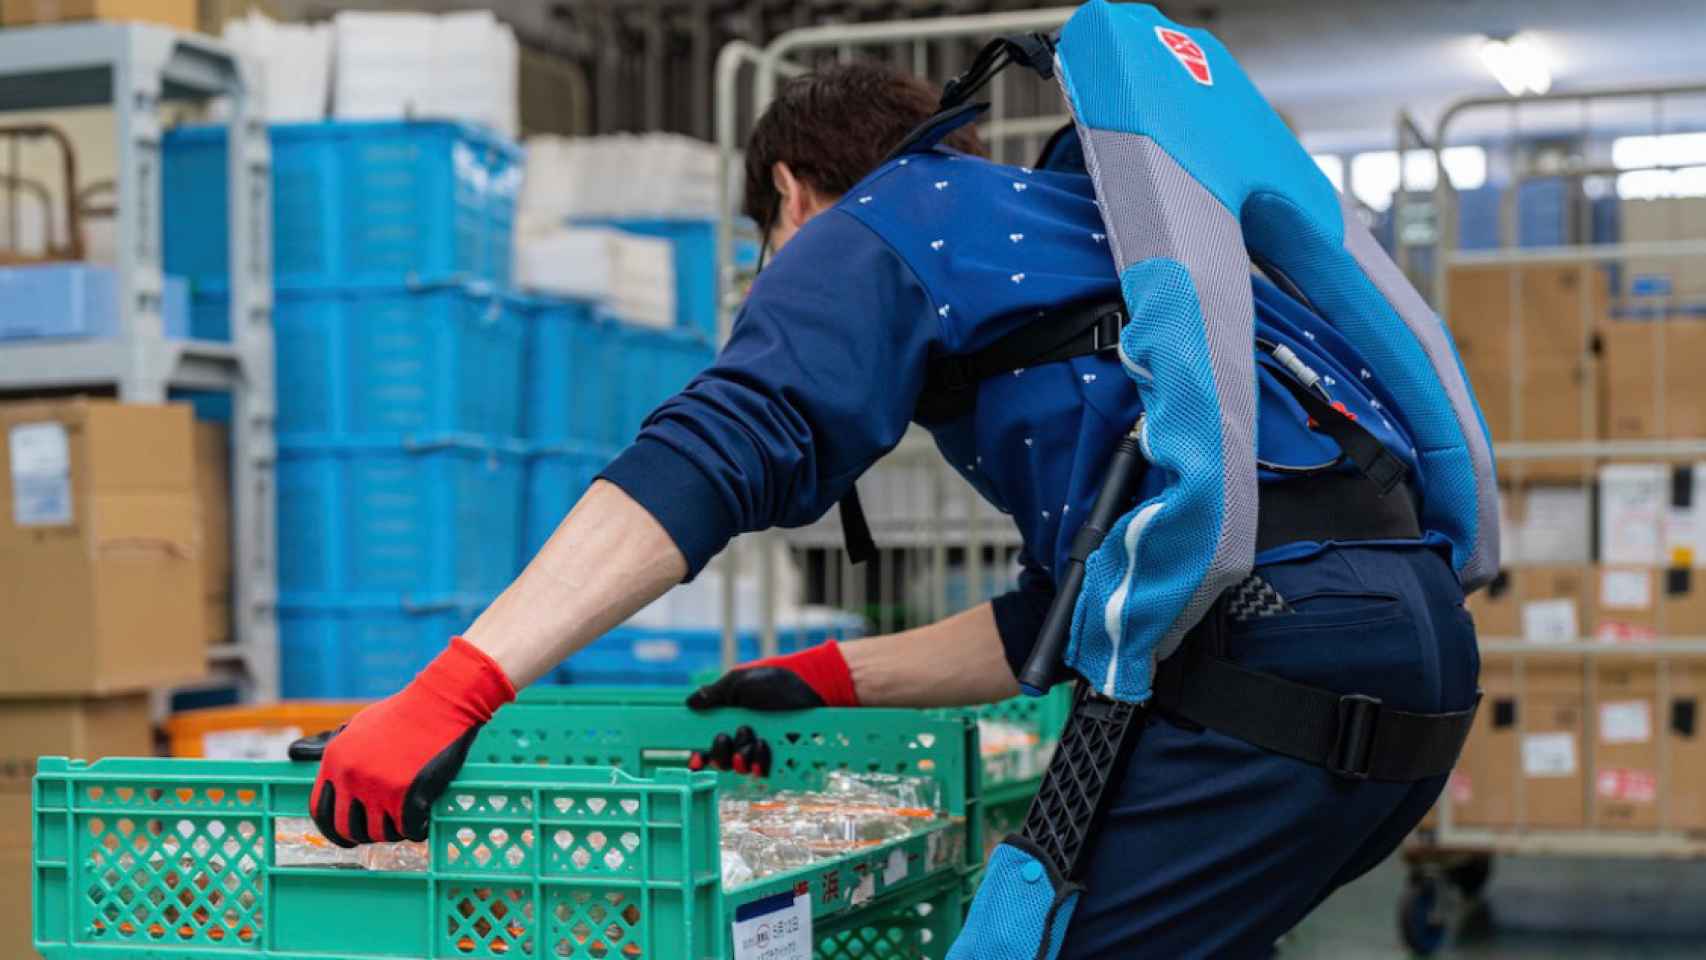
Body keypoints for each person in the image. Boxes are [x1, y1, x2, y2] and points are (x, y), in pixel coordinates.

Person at [304, 57, 1485, 957]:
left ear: (787, 192)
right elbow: (1064, 616)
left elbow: (710, 448)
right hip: (1407, 661)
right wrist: (819, 679)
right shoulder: (1081, 243)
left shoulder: (883, 217)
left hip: (1273, 655)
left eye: (767, 241)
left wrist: (450, 691)